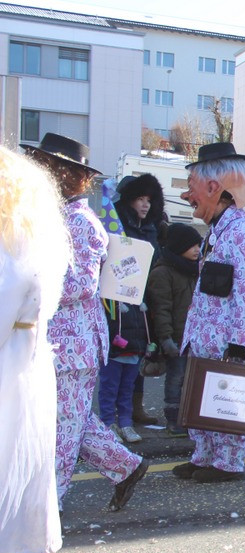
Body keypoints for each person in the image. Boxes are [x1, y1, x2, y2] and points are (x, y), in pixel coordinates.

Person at [23, 133, 150, 513]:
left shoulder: (81, 223)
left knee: (60, 431)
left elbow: (81, 283)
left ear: (61, 174)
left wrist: (28, 284)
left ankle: (47, 512)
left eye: (43, 167)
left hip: (73, 347)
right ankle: (126, 467)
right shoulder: (54, 218)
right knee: (70, 421)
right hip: (56, 342)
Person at [0, 147, 71, 553]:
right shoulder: (35, 234)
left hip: (11, 357)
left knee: (12, 456)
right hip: (28, 354)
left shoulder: (10, 243)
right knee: (29, 460)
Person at [173, 142, 245, 484]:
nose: (188, 194)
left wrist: (240, 341)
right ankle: (204, 456)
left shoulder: (241, 232)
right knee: (200, 398)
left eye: (192, 185)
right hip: (205, 333)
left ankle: (227, 463)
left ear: (214, 187)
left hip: (226, 337)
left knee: (225, 398)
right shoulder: (217, 231)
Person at [115, 173, 166, 426]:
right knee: (118, 358)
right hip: (119, 298)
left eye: (148, 199)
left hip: (145, 297)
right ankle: (114, 412)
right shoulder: (116, 225)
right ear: (128, 201)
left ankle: (135, 408)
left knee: (139, 353)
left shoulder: (151, 227)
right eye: (139, 199)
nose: (145, 204)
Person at [146, 223, 201, 437]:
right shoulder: (162, 273)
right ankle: (174, 419)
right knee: (176, 377)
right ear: (179, 246)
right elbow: (161, 309)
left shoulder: (196, 270)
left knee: (192, 378)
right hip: (177, 337)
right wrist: (166, 338)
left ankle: (189, 417)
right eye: (192, 245)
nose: (197, 249)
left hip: (196, 336)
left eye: (198, 245)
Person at [98, 297, 150, 443]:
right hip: (114, 351)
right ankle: (108, 423)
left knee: (127, 389)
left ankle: (125, 424)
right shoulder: (108, 297)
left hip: (134, 349)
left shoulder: (138, 296)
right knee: (109, 389)